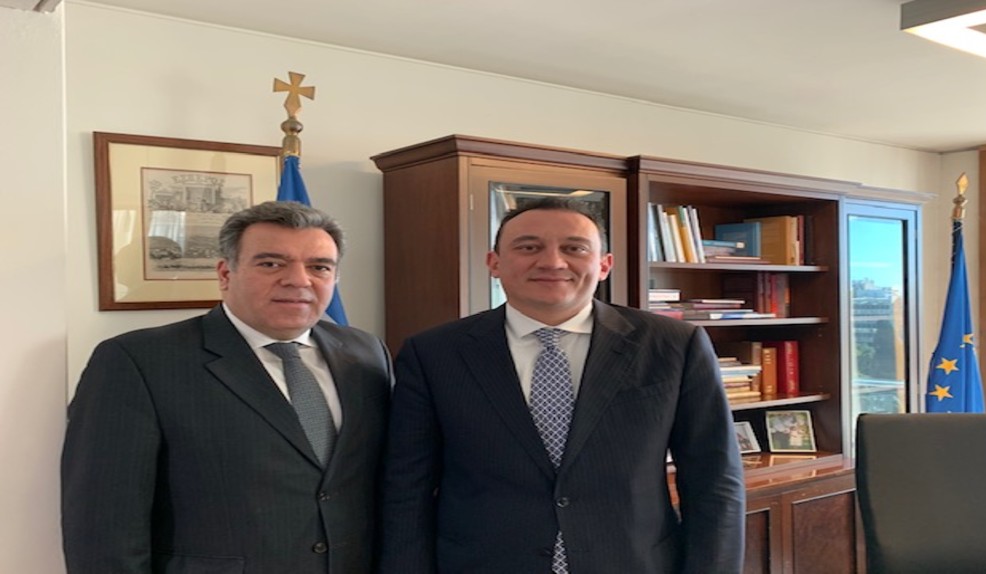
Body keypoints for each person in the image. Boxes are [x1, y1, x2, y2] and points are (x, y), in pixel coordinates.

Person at [380, 198, 746, 573]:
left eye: (574, 248)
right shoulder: (434, 354)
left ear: (604, 265)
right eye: (529, 247)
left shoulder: (674, 345)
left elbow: (714, 481)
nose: (552, 262)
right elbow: (406, 489)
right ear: (494, 263)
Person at [62, 201, 392, 574]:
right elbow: (103, 526)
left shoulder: (366, 353)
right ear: (225, 273)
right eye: (271, 264)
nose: (299, 280)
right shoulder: (139, 361)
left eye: (319, 267)